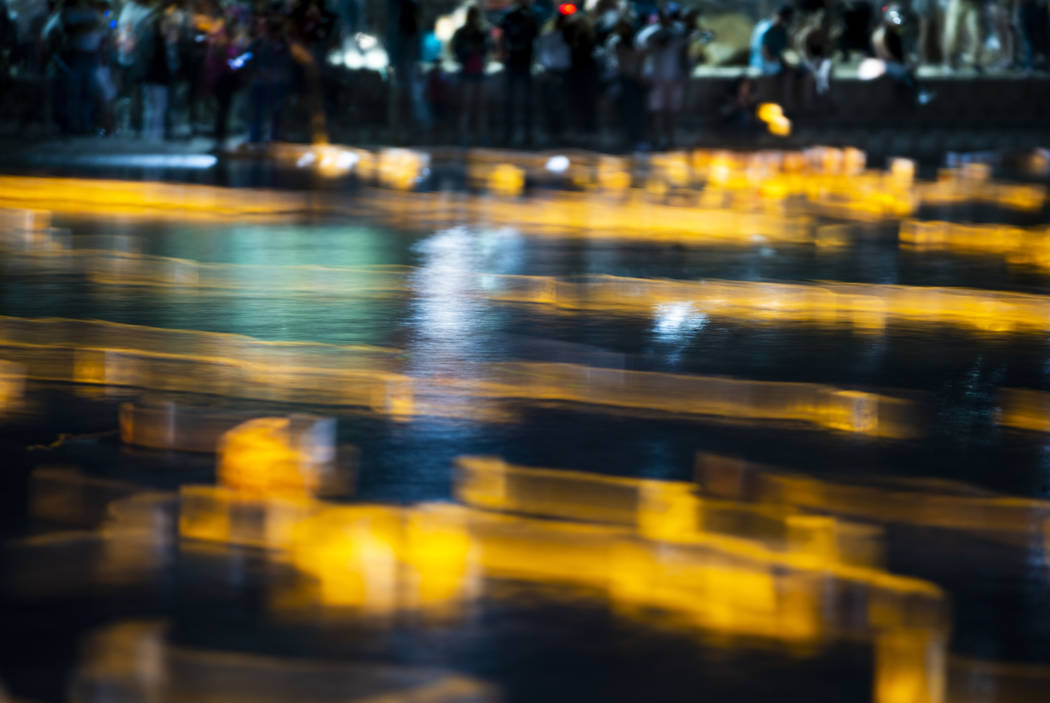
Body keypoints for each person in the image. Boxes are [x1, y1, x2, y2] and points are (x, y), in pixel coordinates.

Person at [637, 3, 687, 149]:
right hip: (655, 77)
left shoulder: (679, 31)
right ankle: (655, 139)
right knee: (655, 110)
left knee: (671, 110)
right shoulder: (649, 33)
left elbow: (684, 53)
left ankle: (670, 139)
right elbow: (641, 52)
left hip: (674, 77)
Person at [499, 0, 538, 145]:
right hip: (519, 62)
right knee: (519, 101)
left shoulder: (518, 17)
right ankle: (518, 134)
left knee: (517, 100)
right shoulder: (525, 17)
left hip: (520, 62)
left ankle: (516, 134)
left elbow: (503, 39)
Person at [451, 5, 490, 144]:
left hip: (478, 71)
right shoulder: (462, 33)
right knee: (466, 106)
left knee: (480, 107)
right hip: (468, 72)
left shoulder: (482, 32)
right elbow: (456, 51)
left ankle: (481, 136)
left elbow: (488, 50)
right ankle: (463, 137)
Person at [606, 17, 645, 150]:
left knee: (636, 112)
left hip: (634, 81)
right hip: (623, 80)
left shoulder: (635, 42)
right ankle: (627, 140)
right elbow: (624, 63)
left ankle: (636, 139)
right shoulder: (617, 42)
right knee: (625, 112)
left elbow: (639, 60)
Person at [536, 11, 570, 144]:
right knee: (550, 105)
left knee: (561, 105)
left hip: (562, 73)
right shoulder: (549, 36)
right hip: (550, 73)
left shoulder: (567, 36)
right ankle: (551, 132)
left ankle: (561, 132)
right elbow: (543, 55)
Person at [942, 0, 982, 69]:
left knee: (976, 32)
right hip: (957, 3)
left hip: (972, 4)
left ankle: (975, 61)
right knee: (952, 33)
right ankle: (949, 62)